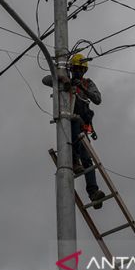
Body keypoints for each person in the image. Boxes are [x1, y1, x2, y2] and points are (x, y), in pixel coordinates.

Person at [43, 54, 106, 209]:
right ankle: (74, 160)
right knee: (75, 125)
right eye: (76, 69)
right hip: (68, 122)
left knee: (88, 160)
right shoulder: (66, 80)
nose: (79, 72)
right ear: (71, 68)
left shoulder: (87, 83)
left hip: (82, 125)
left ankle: (93, 192)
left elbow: (97, 99)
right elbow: (46, 79)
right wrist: (63, 79)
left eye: (81, 70)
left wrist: (83, 87)